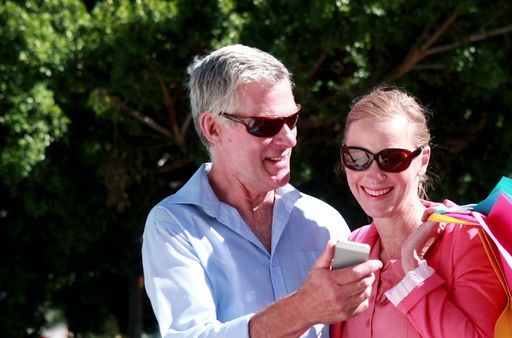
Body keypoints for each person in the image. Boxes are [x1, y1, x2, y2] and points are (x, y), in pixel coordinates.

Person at [141, 44, 383, 338]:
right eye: (265, 125)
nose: (289, 139)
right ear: (212, 128)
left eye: (291, 120)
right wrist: (303, 309)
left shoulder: (323, 220)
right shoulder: (173, 226)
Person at [332, 87, 507, 337]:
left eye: (392, 159)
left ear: (423, 160)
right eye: (357, 157)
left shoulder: (467, 239)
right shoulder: (350, 248)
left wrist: (413, 269)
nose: (373, 174)